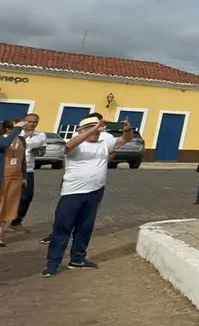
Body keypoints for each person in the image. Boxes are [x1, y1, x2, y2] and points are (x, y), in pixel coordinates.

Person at [44, 115, 135, 277]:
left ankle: (78, 259)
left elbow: (125, 139)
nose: (98, 131)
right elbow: (69, 147)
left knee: (84, 228)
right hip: (72, 193)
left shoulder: (104, 143)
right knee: (62, 228)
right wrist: (93, 129)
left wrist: (127, 129)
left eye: (99, 128)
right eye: (93, 128)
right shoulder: (76, 144)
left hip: (95, 191)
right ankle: (53, 263)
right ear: (82, 130)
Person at [10, 113, 44, 233]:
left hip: (28, 169)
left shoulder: (41, 135)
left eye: (35, 122)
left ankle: (16, 222)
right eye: (29, 121)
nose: (32, 124)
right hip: (11, 168)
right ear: (24, 121)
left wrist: (38, 151)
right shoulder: (14, 132)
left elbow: (42, 152)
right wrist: (24, 138)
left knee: (27, 196)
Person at [0, 119, 26, 247]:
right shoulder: (3, 139)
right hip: (2, 176)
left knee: (9, 205)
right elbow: (4, 144)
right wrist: (17, 129)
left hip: (16, 176)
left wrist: (24, 176)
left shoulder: (20, 140)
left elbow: (23, 160)